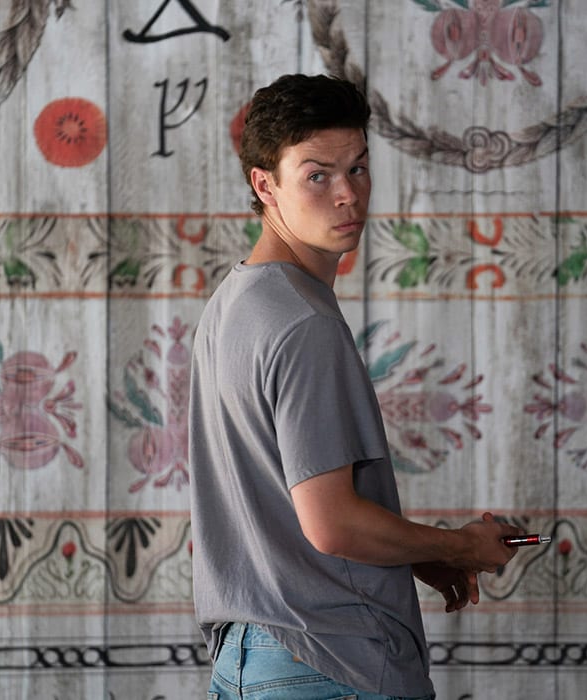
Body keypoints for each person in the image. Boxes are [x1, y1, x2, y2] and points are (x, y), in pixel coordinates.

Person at [188, 73, 523, 700]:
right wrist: (458, 547)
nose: (348, 195)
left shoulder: (235, 301)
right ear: (265, 185)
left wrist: (419, 555)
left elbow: (282, 511)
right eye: (317, 175)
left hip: (248, 659)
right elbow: (332, 524)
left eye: (358, 169)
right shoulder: (305, 323)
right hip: (330, 662)